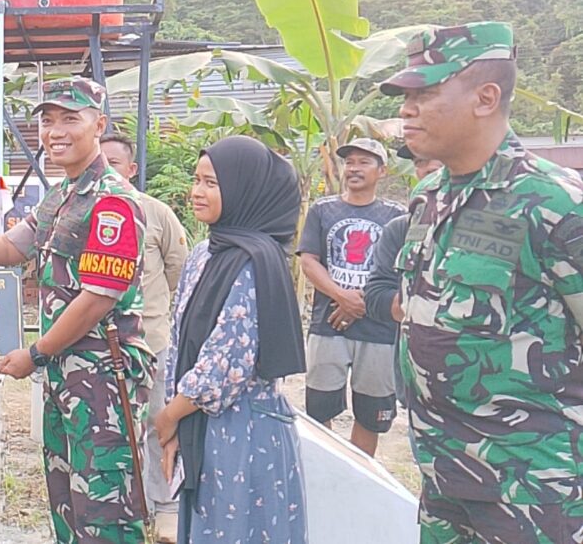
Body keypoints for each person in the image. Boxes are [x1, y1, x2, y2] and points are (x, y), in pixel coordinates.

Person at [384, 21, 583, 542]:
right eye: (406, 95)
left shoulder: (555, 203)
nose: (407, 108)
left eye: (425, 92)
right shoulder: (427, 198)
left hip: (532, 487)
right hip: (443, 475)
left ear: (486, 97)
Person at [0, 78, 154, 543]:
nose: (55, 131)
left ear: (100, 125)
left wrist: (35, 352)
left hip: (102, 379)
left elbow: (96, 299)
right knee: (68, 506)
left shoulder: (111, 200)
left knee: (105, 511)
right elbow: (9, 247)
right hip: (65, 377)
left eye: (70, 119)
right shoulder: (62, 195)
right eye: (47, 120)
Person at [157, 136, 307, 544]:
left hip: (243, 432)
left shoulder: (255, 261)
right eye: (196, 179)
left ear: (244, 189)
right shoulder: (206, 252)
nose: (196, 192)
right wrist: (176, 421)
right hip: (202, 423)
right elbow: (181, 335)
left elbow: (227, 363)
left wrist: (169, 417)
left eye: (212, 183)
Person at [99, 132, 189, 542]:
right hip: (99, 347)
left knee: (158, 425)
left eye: (114, 162)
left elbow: (178, 271)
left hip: (151, 340)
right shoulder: (86, 211)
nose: (106, 169)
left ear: (132, 169)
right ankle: (125, 506)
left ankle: (164, 505)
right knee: (114, 430)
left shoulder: (156, 213)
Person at [297, 137, 405, 457]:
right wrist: (341, 296)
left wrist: (359, 304)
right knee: (319, 409)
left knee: (371, 415)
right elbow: (309, 260)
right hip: (328, 324)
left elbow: (399, 272)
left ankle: (361, 477)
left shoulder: (397, 217)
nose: (354, 168)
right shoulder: (323, 210)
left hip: (378, 330)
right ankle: (327, 474)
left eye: (364, 162)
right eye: (349, 162)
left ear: (382, 171)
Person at [363, 145, 443, 396]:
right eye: (420, 161)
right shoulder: (401, 228)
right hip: (418, 381)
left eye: (438, 158)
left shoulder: (503, 221)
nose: (428, 168)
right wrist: (422, 307)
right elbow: (376, 296)